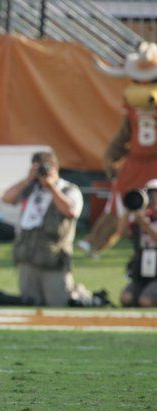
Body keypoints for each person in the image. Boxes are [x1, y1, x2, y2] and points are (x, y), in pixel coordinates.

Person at [80, 42, 157, 256]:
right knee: (118, 202)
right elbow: (126, 132)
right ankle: (95, 243)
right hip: (137, 161)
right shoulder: (132, 102)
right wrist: (112, 156)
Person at [2, 150, 83, 307]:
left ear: (56, 168)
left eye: (46, 168)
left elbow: (70, 211)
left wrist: (51, 187)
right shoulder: (31, 188)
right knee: (31, 303)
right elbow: (7, 198)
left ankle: (81, 294)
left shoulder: (68, 189)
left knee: (59, 303)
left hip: (53, 258)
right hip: (28, 256)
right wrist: (27, 180)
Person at [119, 179, 157, 307]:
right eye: (150, 195)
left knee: (145, 301)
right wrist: (128, 209)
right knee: (126, 298)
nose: (152, 199)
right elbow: (123, 232)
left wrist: (143, 223)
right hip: (142, 273)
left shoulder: (143, 221)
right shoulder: (142, 218)